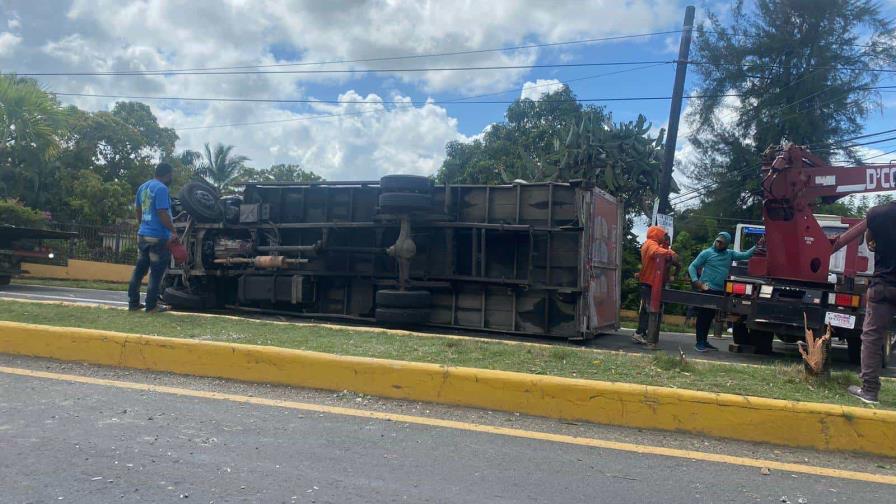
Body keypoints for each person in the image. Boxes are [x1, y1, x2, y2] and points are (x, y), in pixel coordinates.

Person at [848, 200, 896, 404]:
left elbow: (870, 241)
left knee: (872, 337)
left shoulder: (876, 213)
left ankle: (869, 391)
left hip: (883, 285)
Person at [687, 231, 759, 352]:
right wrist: (696, 281)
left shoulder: (729, 254)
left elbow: (745, 255)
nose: (719, 244)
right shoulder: (707, 253)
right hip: (707, 289)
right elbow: (692, 266)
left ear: (726, 244)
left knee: (710, 317)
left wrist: (757, 245)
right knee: (703, 317)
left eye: (722, 243)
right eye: (718, 241)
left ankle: (704, 341)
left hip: (720, 290)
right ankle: (699, 343)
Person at [128, 162, 177, 312]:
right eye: (171, 175)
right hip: (158, 237)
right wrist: (173, 231)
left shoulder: (143, 187)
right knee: (156, 273)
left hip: (143, 235)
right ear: (167, 174)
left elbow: (137, 209)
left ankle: (133, 303)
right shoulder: (161, 188)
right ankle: (151, 305)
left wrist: (143, 224)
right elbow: (163, 213)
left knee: (139, 271)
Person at [634, 226, 678, 346]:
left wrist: (669, 252)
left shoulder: (651, 244)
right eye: (663, 235)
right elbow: (657, 252)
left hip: (651, 281)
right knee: (647, 309)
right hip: (649, 281)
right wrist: (670, 253)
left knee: (649, 309)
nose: (664, 238)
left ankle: (644, 332)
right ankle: (640, 333)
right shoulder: (651, 244)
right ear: (657, 234)